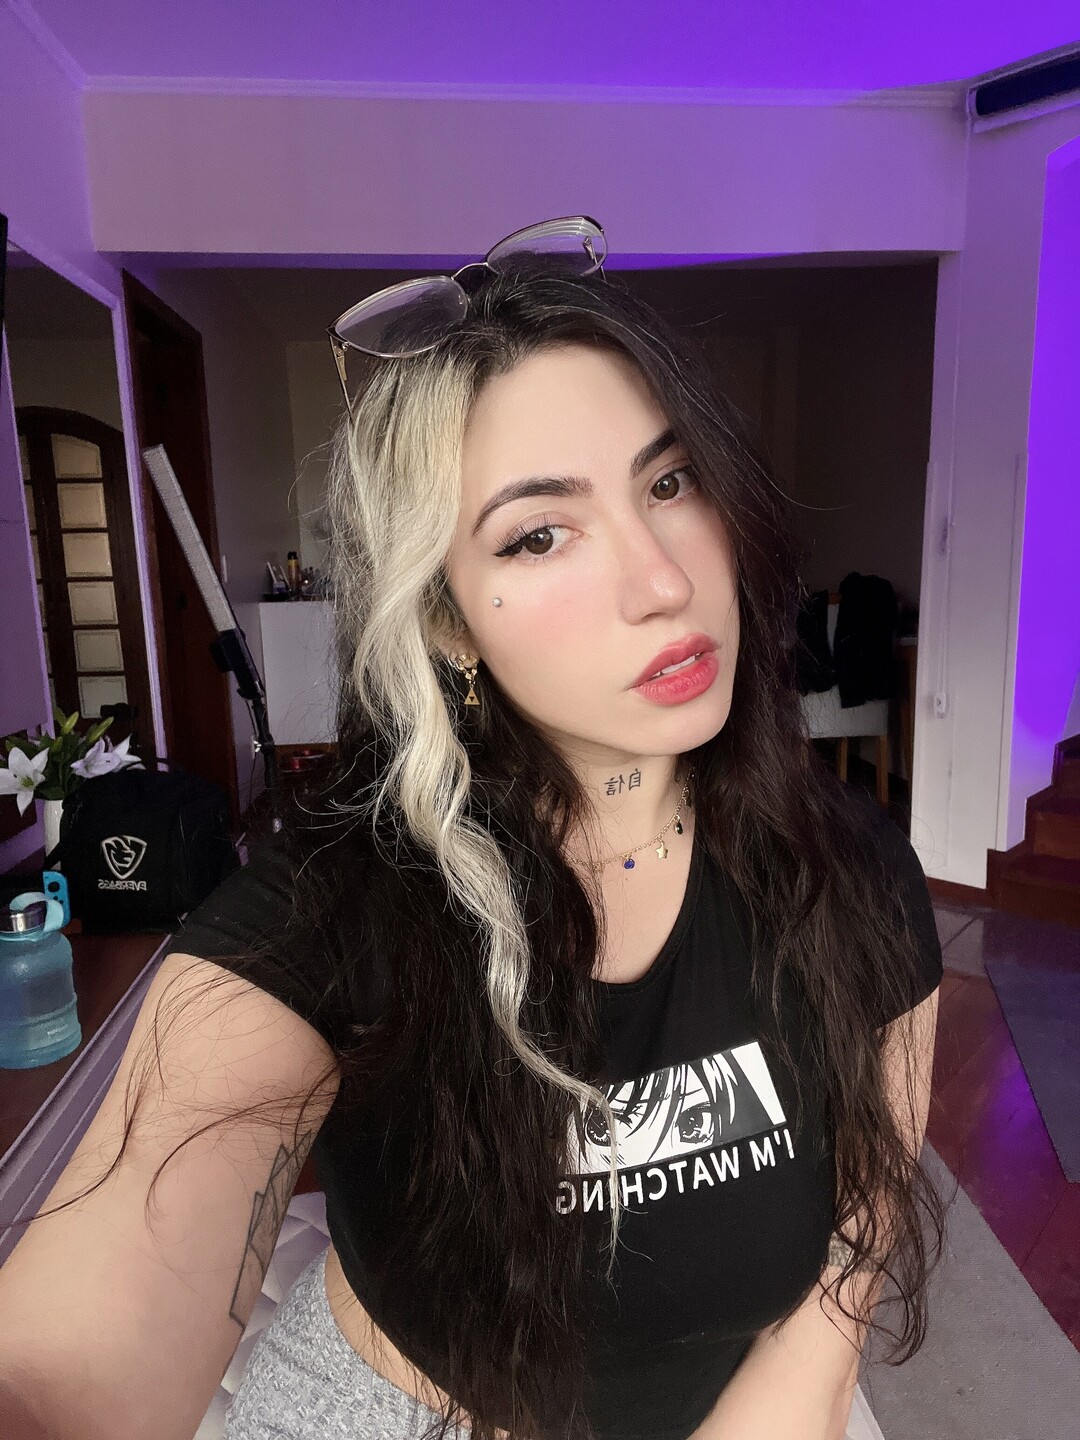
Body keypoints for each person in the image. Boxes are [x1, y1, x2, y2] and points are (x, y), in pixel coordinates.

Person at [0, 217, 945, 1440]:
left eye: (670, 483)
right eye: (538, 534)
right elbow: (63, 1374)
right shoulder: (338, 904)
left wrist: (794, 1391)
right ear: (448, 622)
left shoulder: (852, 867)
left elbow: (864, 1209)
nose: (664, 581)